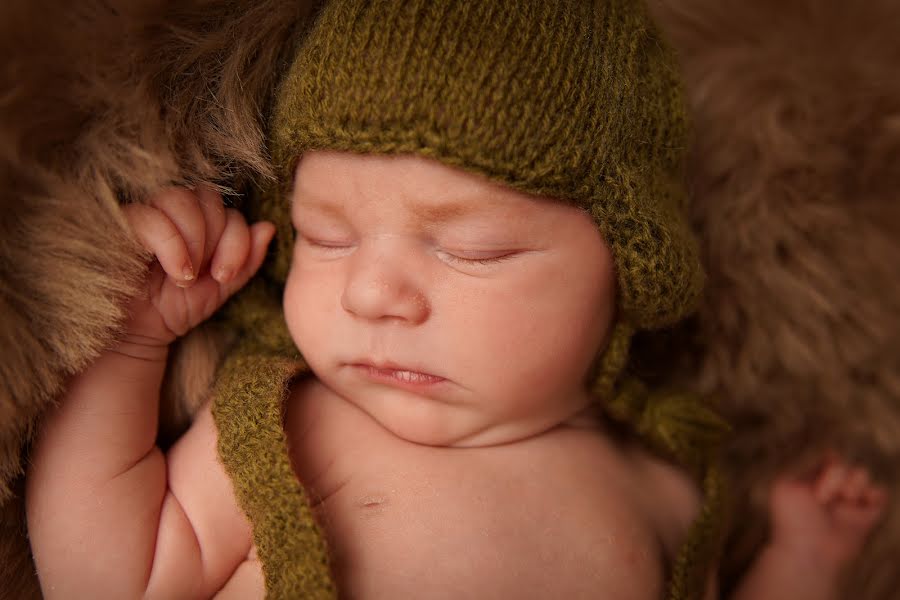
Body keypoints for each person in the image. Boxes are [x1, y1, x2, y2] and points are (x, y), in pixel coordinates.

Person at [24, 1, 886, 598]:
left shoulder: (664, 490)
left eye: (472, 249)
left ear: (626, 266)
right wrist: (130, 347)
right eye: (326, 236)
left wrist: (805, 562)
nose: (371, 293)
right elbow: (107, 576)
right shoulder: (290, 429)